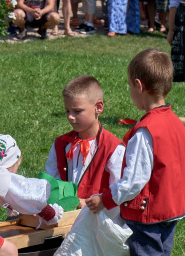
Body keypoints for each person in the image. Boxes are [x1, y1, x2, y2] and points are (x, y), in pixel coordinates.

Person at [86, 48, 185, 256]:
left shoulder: (146, 131)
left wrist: (105, 198)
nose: (130, 90)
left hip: (149, 214)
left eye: (130, 85)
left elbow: (134, 181)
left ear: (139, 86)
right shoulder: (176, 123)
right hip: (172, 209)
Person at [45, 75, 125, 208]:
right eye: (67, 111)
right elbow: (50, 182)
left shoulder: (113, 148)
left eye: (77, 111)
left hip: (99, 221)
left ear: (98, 107)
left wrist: (91, 203)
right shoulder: (61, 144)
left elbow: (120, 191)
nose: (70, 116)